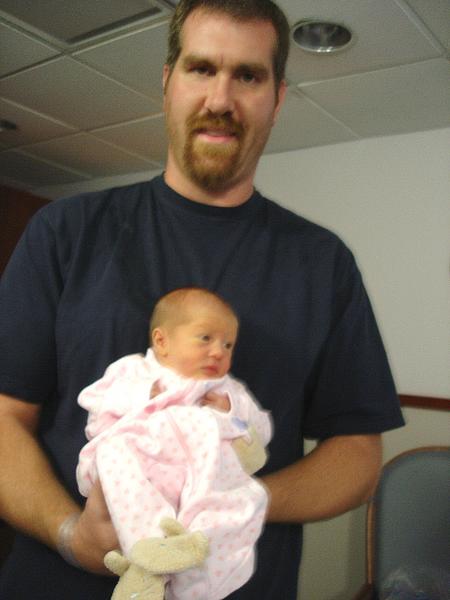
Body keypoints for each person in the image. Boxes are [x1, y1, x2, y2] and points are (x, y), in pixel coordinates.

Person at [0, 1, 404, 599]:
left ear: (277, 98)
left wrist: (233, 499)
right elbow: (5, 417)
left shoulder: (323, 265)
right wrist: (69, 533)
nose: (221, 98)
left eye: (248, 76)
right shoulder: (65, 232)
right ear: (168, 82)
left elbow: (358, 457)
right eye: (201, 68)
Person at [76, 287, 272, 598]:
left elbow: (260, 431)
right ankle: (151, 555)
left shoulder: (226, 389)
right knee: (114, 453)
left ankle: (194, 584)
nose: (218, 352)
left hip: (201, 476)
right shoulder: (135, 371)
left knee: (240, 504)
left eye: (228, 345)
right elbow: (95, 404)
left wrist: (231, 410)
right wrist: (142, 394)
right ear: (162, 341)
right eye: (205, 338)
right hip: (143, 466)